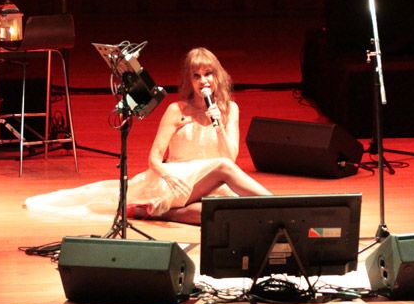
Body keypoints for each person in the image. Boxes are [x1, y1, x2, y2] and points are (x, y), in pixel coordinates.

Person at [25, 47, 271, 225]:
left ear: (218, 77)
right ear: (189, 81)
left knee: (219, 213)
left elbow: (230, 156)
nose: (203, 81)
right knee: (224, 172)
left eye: (208, 74)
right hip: (176, 180)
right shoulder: (177, 110)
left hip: (210, 184)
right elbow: (154, 158)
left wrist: (217, 123)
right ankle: (281, 205)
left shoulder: (230, 110)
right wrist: (168, 175)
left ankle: (163, 213)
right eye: (196, 76)